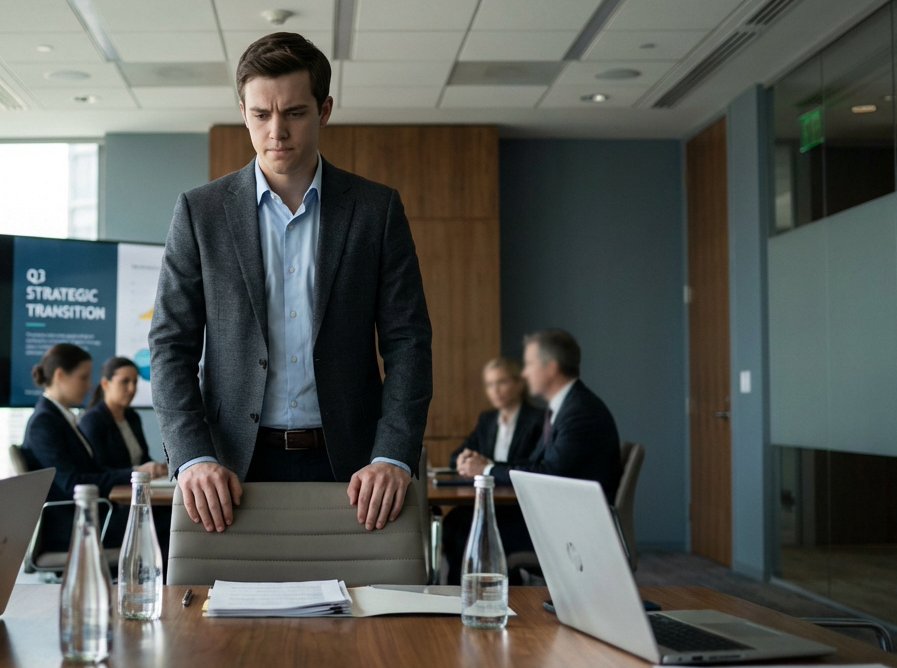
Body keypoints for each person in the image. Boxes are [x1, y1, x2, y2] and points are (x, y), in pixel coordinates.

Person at [149, 31, 433, 534]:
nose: (276, 131)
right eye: (261, 115)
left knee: (358, 612)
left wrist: (393, 453)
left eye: (294, 113)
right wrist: (191, 455)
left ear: (324, 110)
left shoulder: (375, 210)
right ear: (244, 112)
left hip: (355, 471)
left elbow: (408, 341)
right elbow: (171, 345)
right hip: (230, 469)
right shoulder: (200, 212)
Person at [443, 329, 621, 582]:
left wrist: (487, 470)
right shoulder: (566, 407)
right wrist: (488, 466)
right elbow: (537, 464)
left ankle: (482, 600)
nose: (524, 373)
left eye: (529, 364)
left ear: (551, 368)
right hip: (557, 514)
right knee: (459, 520)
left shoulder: (580, 412)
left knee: (468, 528)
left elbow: (548, 472)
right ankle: (468, 598)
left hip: (570, 526)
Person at [21, 344, 166, 554]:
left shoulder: (61, 418)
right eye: (83, 377)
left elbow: (93, 471)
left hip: (89, 516)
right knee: (165, 519)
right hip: (74, 525)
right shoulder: (44, 423)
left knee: (163, 515)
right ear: (60, 375)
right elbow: (72, 483)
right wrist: (134, 473)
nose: (89, 385)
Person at [448, 357, 545, 475]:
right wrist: (463, 459)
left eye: (502, 382)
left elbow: (533, 466)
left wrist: (487, 466)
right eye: (489, 384)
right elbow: (454, 457)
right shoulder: (487, 419)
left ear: (519, 383)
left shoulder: (539, 419)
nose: (495, 390)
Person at [79, 357, 166, 475]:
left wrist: (157, 467)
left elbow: (143, 459)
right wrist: (136, 471)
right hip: (112, 491)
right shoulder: (91, 421)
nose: (132, 389)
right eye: (125, 381)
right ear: (105, 384)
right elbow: (97, 471)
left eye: (135, 382)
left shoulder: (133, 417)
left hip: (136, 486)